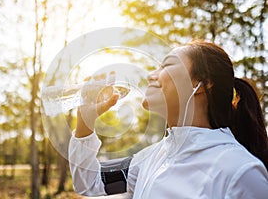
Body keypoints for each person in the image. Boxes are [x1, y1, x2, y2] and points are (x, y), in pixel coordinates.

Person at [68, 40, 268, 198]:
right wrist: (85, 123)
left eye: (166, 65)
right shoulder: (151, 159)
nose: (151, 76)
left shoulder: (240, 173)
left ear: (201, 83)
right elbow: (89, 182)